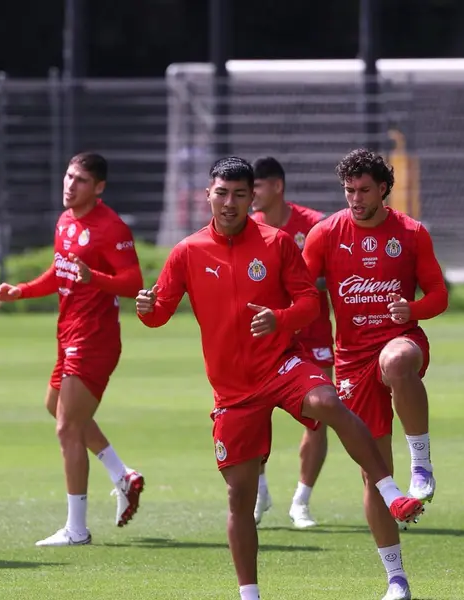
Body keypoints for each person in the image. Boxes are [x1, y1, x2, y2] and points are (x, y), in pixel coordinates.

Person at [136, 156, 424, 600]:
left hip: (280, 365)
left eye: (238, 194)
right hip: (233, 390)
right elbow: (158, 314)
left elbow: (310, 302)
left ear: (253, 198)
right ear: (208, 195)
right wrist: (146, 308)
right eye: (221, 193)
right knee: (240, 499)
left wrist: (281, 319)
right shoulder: (187, 251)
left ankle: (389, 490)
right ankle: (249, 594)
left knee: (329, 402)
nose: (229, 203)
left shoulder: (277, 242)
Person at [302, 148, 448, 590]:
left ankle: (421, 463)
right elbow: (304, 293)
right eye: (349, 190)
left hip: (400, 339)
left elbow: (439, 294)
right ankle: (396, 579)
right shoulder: (325, 234)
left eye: (364, 189)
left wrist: (413, 308)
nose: (355, 198)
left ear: (384, 188)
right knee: (374, 473)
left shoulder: (411, 232)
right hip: (351, 359)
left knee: (398, 360)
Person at [0, 153, 146, 546]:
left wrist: (96, 277)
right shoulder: (65, 221)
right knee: (55, 408)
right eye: (68, 176)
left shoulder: (111, 228)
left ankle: (77, 529)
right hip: (68, 335)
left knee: (68, 426)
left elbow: (133, 282)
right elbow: (58, 271)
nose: (69, 184)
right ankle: (122, 475)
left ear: (99, 188)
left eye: (80, 180)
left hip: (95, 339)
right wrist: (19, 291)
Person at [248, 156, 334, 529]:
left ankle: (301, 501)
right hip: (266, 334)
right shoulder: (247, 228)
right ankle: (260, 489)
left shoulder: (314, 226)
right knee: (251, 415)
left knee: (317, 417)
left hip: (313, 334)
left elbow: (334, 279)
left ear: (277, 187)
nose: (250, 195)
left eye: (256, 187)